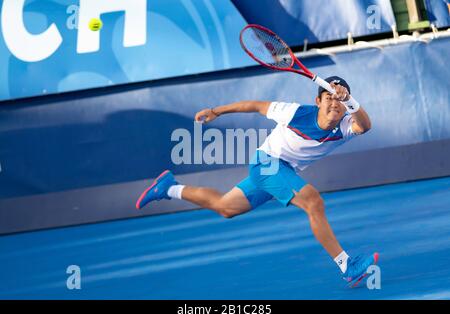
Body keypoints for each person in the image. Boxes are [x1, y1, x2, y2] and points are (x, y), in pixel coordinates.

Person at [136, 76, 378, 287]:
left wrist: (350, 101)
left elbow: (365, 125)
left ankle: (169, 187)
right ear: (318, 101)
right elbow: (254, 105)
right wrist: (216, 111)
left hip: (282, 171)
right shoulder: (294, 112)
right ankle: (347, 266)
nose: (334, 103)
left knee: (225, 207)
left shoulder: (347, 124)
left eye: (339, 99)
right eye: (328, 97)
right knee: (313, 202)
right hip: (267, 164)